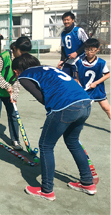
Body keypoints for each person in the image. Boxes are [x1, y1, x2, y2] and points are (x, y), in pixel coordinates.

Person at [12, 53, 96, 201]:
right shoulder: (48, 68)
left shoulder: (24, 75)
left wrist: (54, 114)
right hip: (85, 103)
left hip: (65, 107)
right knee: (73, 141)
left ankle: (47, 190)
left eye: (15, 72)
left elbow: (42, 98)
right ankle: (87, 182)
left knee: (45, 146)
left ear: (17, 70)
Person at [0, 36, 32, 150]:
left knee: (13, 115)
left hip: (9, 93)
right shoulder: (4, 57)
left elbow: (18, 80)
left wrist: (15, 96)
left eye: (25, 53)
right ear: (15, 48)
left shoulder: (22, 61)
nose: (23, 55)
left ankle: (15, 140)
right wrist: (6, 85)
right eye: (21, 51)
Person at [75, 38, 110, 119]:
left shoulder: (101, 62)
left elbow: (107, 75)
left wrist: (95, 83)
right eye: (87, 50)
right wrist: (78, 81)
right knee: (78, 109)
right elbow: (77, 73)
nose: (89, 52)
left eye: (92, 50)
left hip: (97, 89)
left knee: (106, 108)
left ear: (97, 50)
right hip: (84, 89)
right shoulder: (79, 62)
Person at [57, 11, 89, 77]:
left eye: (68, 20)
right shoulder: (63, 33)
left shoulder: (78, 30)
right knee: (64, 79)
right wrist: (62, 60)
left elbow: (87, 43)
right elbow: (63, 47)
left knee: (77, 81)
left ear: (73, 20)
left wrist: (76, 53)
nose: (66, 22)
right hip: (68, 61)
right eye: (64, 20)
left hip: (79, 60)